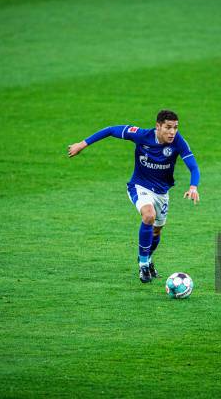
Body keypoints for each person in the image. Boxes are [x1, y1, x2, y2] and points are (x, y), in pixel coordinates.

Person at [68, 109, 201, 283]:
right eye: (168, 127)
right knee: (149, 215)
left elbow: (193, 167)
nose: (172, 132)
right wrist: (82, 144)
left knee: (157, 230)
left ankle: (147, 258)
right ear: (158, 126)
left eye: (175, 127)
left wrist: (193, 186)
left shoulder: (178, 142)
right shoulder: (141, 135)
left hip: (162, 192)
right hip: (140, 186)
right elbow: (110, 130)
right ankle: (143, 265)